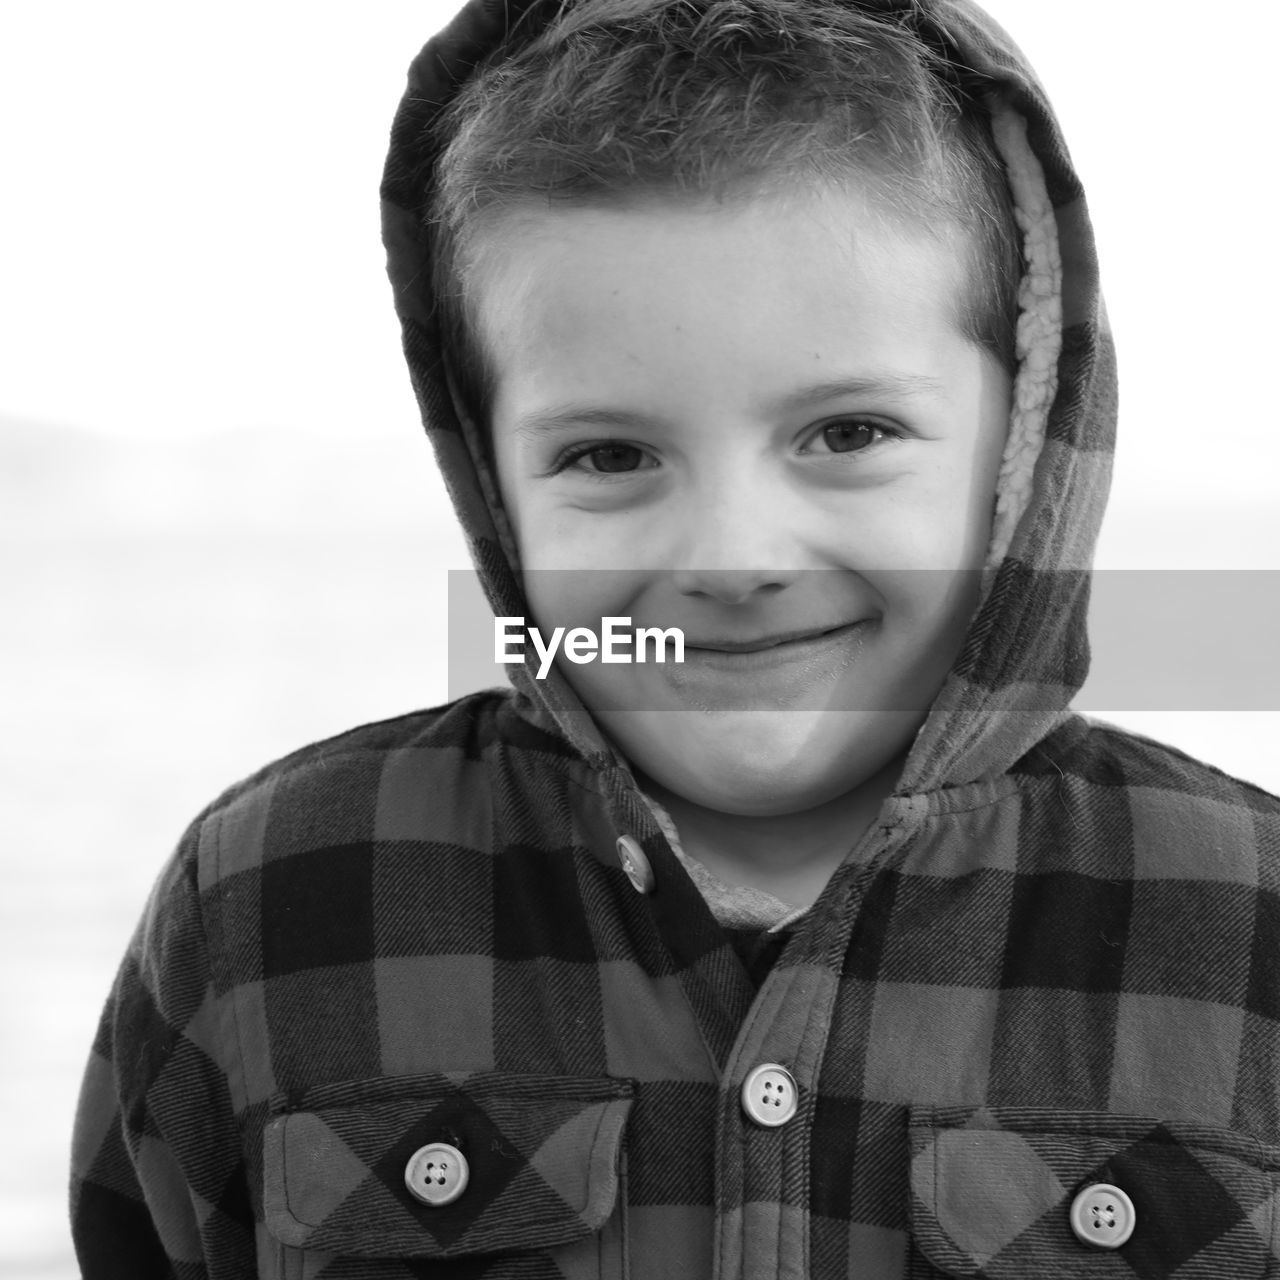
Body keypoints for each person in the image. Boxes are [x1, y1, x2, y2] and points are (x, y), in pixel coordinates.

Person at [69, 0, 1280, 1275]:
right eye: (608, 454)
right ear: (492, 484)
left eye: (849, 432)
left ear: (1024, 438)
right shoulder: (266, 899)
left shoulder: (1249, 923)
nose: (733, 557)